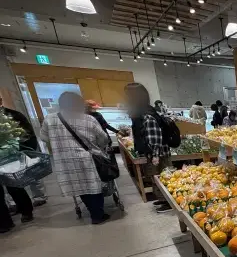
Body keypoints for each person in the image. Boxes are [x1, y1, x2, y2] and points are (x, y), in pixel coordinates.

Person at [39, 91, 110, 224]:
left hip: (64, 160)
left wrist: (58, 143)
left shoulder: (50, 119)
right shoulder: (88, 119)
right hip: (87, 157)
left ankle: (92, 211)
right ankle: (97, 214)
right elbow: (103, 138)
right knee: (93, 185)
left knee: (80, 186)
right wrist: (98, 147)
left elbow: (44, 138)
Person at [125, 83, 172, 213]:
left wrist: (155, 155)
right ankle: (162, 198)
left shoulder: (147, 114)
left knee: (162, 176)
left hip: (158, 153)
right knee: (155, 176)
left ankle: (168, 201)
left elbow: (155, 137)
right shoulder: (143, 112)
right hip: (153, 152)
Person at [0, 95, 46, 206]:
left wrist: (27, 149)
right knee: (7, 178)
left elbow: (27, 133)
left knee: (31, 173)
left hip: (22, 149)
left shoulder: (14, 115)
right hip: (4, 154)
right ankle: (13, 203)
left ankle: (39, 196)